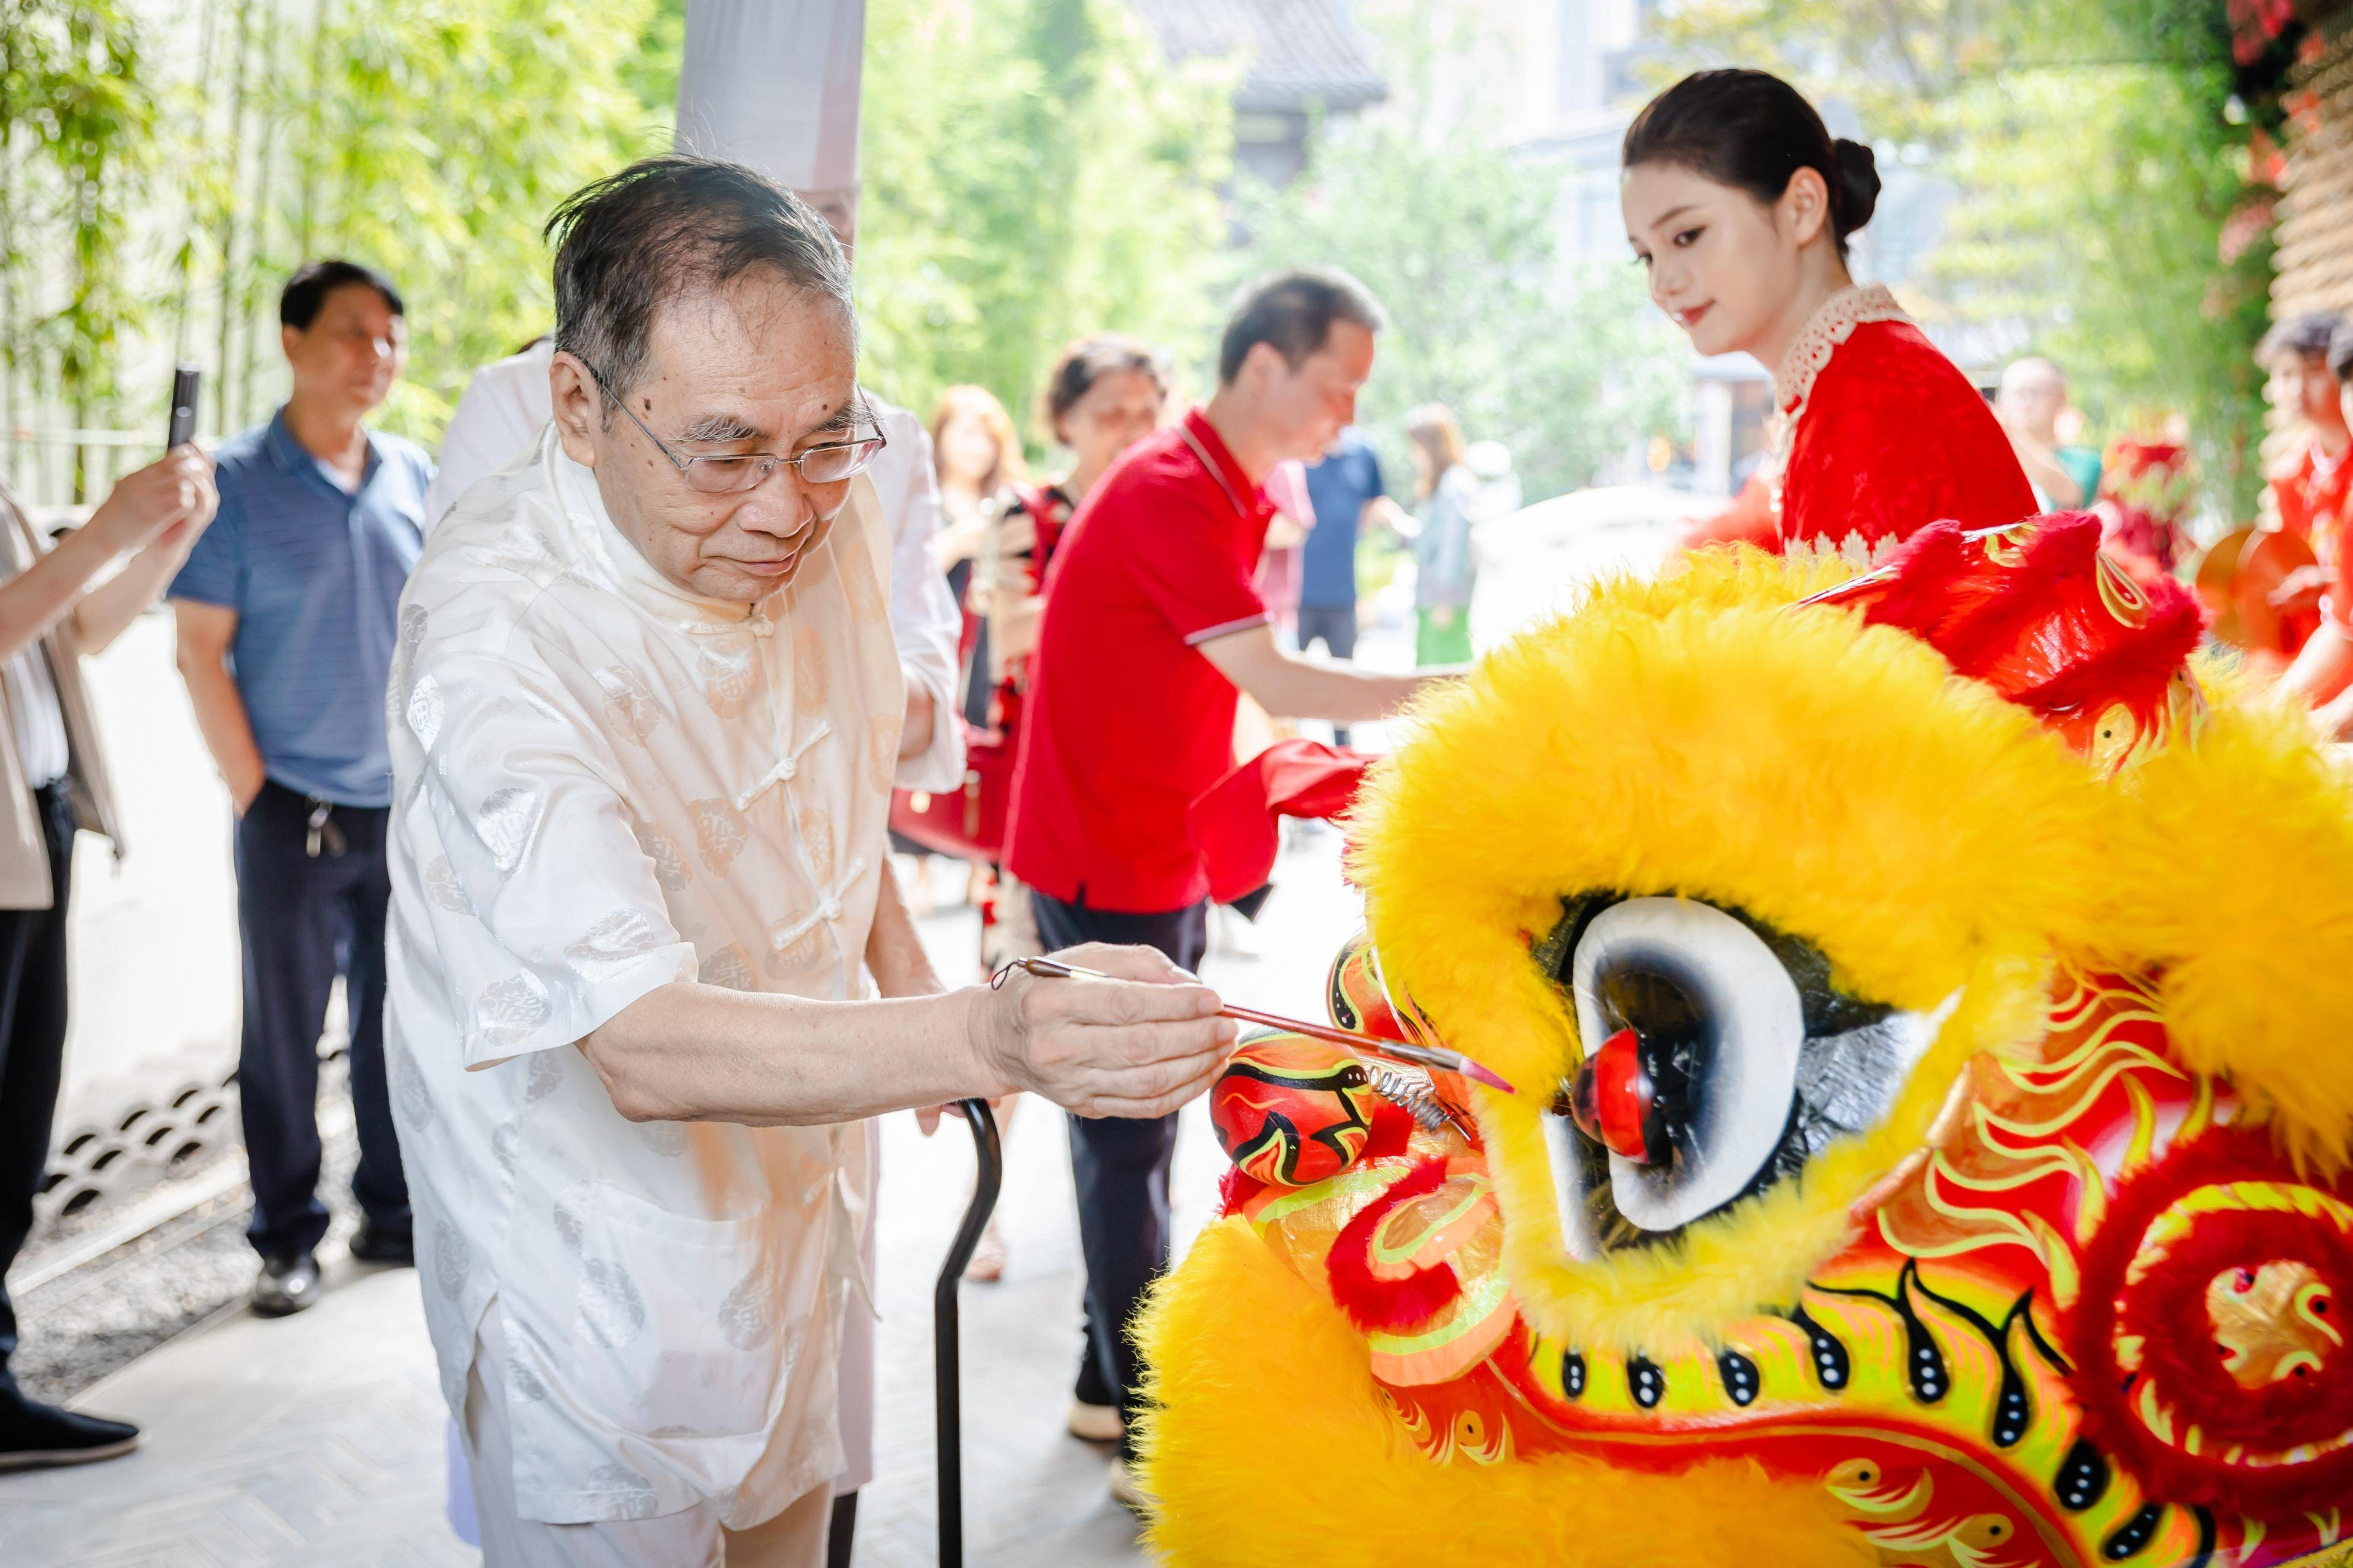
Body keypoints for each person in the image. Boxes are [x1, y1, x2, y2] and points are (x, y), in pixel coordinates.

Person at [384, 155, 1234, 1568]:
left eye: (828, 437)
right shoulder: (493, 644)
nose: (787, 504)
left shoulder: (816, 514)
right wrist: (985, 1032)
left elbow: (820, 794)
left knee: (797, 1516)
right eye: (727, 450)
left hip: (800, 1178)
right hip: (587, 1257)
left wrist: (926, 970)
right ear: (580, 406)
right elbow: (639, 1043)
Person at [1003, 268, 1462, 1504]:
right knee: (1126, 1138)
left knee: (1139, 1133)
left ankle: (1108, 1386)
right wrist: (1449, 691)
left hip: (1162, 835)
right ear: (1264, 366)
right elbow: (1277, 672)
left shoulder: (1223, 484)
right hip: (1107, 846)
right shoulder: (1164, 487)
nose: (1344, 419)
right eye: (1334, 389)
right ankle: (1144, 1424)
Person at [169, 260, 427, 1316]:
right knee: (281, 1033)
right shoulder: (235, 480)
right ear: (292, 340)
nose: (377, 354)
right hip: (292, 811)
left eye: (391, 337)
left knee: (397, 1021)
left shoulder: (416, 471)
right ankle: (285, 1236)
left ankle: (394, 1210)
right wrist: (257, 795)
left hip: (406, 808)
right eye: (353, 333)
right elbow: (199, 651)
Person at [0, 449, 219, 1471]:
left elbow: (67, 631)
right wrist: (104, 529)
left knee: (15, 1122)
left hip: (34, 828)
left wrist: (156, 540)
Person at [958, 333, 1171, 1290]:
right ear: (1066, 420)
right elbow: (1013, 636)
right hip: (1036, 812)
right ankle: (983, 1212)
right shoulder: (1032, 513)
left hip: (1138, 807)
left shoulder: (1169, 511)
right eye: (1109, 411)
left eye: (1145, 409)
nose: (1129, 429)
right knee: (1010, 1014)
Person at [1624, 69, 2036, 564]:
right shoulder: (1855, 374)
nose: (1662, 282)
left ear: (1801, 206)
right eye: (1646, 255)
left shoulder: (1869, 399)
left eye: (1686, 235)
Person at [1297, 428, 1408, 747]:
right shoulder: (1299, 452)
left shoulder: (1364, 454)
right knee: (1291, 688)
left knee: (1344, 682)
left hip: (1343, 593)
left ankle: (1344, 762)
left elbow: (1375, 504)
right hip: (1297, 595)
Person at [2257, 311, 2352, 628]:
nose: (2297, 388)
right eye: (2285, 375)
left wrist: (2330, 581)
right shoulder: (2288, 474)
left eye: (2312, 372)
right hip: (2324, 632)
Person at [1406, 404, 1479, 667]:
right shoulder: (1442, 484)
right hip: (1433, 596)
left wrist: (1445, 599)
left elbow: (1454, 546)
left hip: (1444, 600)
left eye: (1416, 447)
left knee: (1446, 675)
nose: (1413, 455)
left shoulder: (1455, 484)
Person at [1995, 356, 2103, 511]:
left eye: (2035, 392)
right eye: (2017, 393)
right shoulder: (1991, 463)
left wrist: (2010, 434)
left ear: (2061, 399)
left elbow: (2071, 499)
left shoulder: (2085, 461)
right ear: (2000, 401)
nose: (2026, 402)